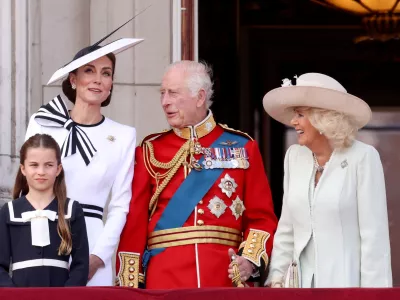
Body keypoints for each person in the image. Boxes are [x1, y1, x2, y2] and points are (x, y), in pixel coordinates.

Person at [116, 60, 278, 289]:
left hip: (224, 278)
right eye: (162, 93)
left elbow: (261, 218)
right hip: (164, 281)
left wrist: (249, 262)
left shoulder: (242, 146)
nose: (165, 102)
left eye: (173, 93)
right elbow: (134, 226)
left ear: (200, 97)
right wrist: (129, 288)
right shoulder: (150, 150)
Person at [24, 38, 142, 286]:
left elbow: (121, 204)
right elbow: (26, 188)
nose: (98, 79)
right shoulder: (43, 122)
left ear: (111, 84)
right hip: (41, 235)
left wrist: (98, 257)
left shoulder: (123, 135)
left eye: (106, 73)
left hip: (92, 242)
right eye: (89, 71)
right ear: (73, 79)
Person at [263, 73, 392, 288]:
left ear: (323, 118)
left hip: (345, 285)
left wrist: (373, 295)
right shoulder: (294, 157)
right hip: (298, 288)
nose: (294, 122)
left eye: (301, 114)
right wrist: (276, 280)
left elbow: (374, 240)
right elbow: (287, 229)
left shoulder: (363, 158)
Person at [0, 134, 89, 287]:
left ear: (58, 169)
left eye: (48, 165)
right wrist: (14, 295)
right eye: (34, 165)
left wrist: (66, 296)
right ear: (23, 169)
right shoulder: (8, 212)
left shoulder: (72, 210)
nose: (41, 171)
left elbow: (81, 265)